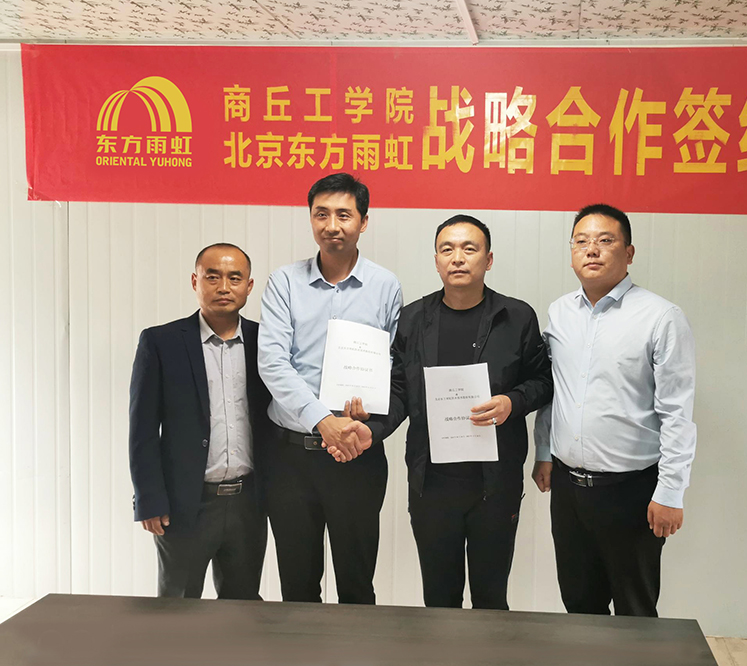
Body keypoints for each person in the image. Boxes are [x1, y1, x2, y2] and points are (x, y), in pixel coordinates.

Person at [341, 215, 552, 610]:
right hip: (432, 485)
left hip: (495, 485)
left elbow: (543, 381)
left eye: (469, 249)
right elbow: (400, 391)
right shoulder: (413, 319)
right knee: (439, 601)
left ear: (489, 260)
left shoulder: (517, 317)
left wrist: (512, 402)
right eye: (447, 249)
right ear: (436, 261)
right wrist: (374, 429)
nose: (458, 258)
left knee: (491, 599)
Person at [532, 204, 697, 617]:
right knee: (579, 605)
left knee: (635, 611)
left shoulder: (661, 317)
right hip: (568, 490)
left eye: (605, 241)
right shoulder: (559, 313)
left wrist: (671, 492)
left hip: (632, 491)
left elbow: (677, 412)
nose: (592, 250)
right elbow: (554, 391)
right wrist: (544, 452)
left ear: (629, 252)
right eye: (581, 241)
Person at [258, 173, 402, 604]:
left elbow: (392, 366)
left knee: (357, 586)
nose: (332, 225)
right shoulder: (284, 282)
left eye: (344, 215)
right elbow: (272, 363)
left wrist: (368, 414)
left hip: (356, 456)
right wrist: (323, 420)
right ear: (310, 219)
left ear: (364, 221)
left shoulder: (385, 285)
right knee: (298, 588)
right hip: (290, 458)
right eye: (321, 214)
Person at [128, 243, 270, 599]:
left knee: (242, 608)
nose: (224, 287)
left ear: (249, 286)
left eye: (234, 278)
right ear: (195, 281)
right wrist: (149, 498)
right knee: (177, 608)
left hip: (248, 503)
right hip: (185, 504)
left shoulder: (266, 342)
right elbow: (142, 430)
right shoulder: (161, 342)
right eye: (212, 277)